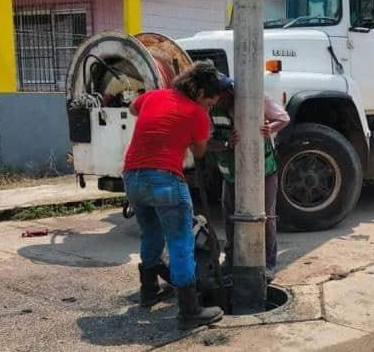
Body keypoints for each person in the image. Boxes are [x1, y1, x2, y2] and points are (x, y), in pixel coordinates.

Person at [122, 61, 224, 330]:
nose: (209, 108)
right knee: (181, 241)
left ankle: (149, 290)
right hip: (165, 178)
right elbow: (200, 152)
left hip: (132, 177)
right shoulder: (196, 113)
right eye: (210, 103)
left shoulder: (154, 96)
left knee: (151, 233)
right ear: (201, 94)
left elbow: (133, 108)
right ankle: (190, 311)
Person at [208, 74, 290, 282]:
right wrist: (226, 144)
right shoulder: (209, 107)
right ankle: (231, 259)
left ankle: (269, 263)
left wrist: (270, 128)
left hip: (263, 170)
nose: (219, 100)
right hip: (231, 173)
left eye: (222, 96)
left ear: (228, 92)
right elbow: (206, 142)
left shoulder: (254, 98)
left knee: (266, 217)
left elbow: (284, 118)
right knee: (230, 216)